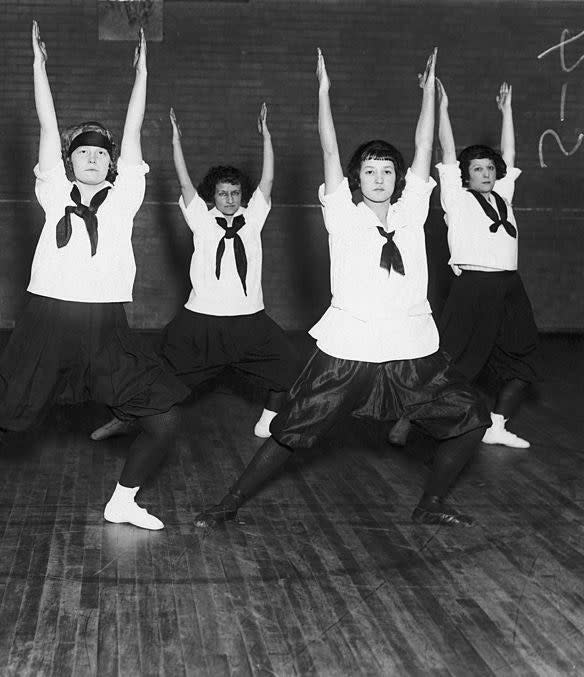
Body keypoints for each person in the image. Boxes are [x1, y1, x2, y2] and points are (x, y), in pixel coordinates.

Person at [0, 23, 189, 531]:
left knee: (165, 418)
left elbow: (135, 127)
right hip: (46, 320)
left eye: (101, 154)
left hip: (106, 326)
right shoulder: (53, 190)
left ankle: (124, 499)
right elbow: (47, 124)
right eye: (82, 153)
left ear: (112, 163)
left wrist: (142, 73)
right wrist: (38, 66)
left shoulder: (125, 198)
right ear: (68, 163)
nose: (91, 159)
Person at [194, 49, 489, 530]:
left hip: (409, 347)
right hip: (350, 347)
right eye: (370, 171)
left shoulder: (412, 211)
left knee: (474, 414)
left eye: (387, 171)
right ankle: (229, 501)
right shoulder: (342, 214)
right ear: (356, 179)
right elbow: (329, 150)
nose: (380, 178)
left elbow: (424, 148)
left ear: (398, 180)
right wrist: (323, 92)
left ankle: (430, 502)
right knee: (291, 428)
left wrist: (428, 93)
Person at [90, 104, 298, 443]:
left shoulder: (254, 217)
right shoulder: (201, 218)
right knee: (158, 370)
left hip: (250, 321)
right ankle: (126, 417)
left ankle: (269, 420)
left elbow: (269, 179)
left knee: (288, 362)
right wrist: (175, 141)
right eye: (222, 193)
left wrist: (267, 137)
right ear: (212, 196)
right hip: (200, 322)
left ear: (241, 195)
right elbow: (184, 181)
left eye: (234, 193)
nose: (230, 198)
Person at [389, 81, 537, 449]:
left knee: (525, 359)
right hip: (472, 288)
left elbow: (511, 154)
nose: (485, 174)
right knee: (452, 362)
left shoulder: (504, 194)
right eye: (478, 169)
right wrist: (443, 108)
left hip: (509, 288)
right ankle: (409, 417)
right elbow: (448, 150)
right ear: (466, 176)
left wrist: (507, 113)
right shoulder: (456, 198)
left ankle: (497, 425)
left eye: (490, 169)